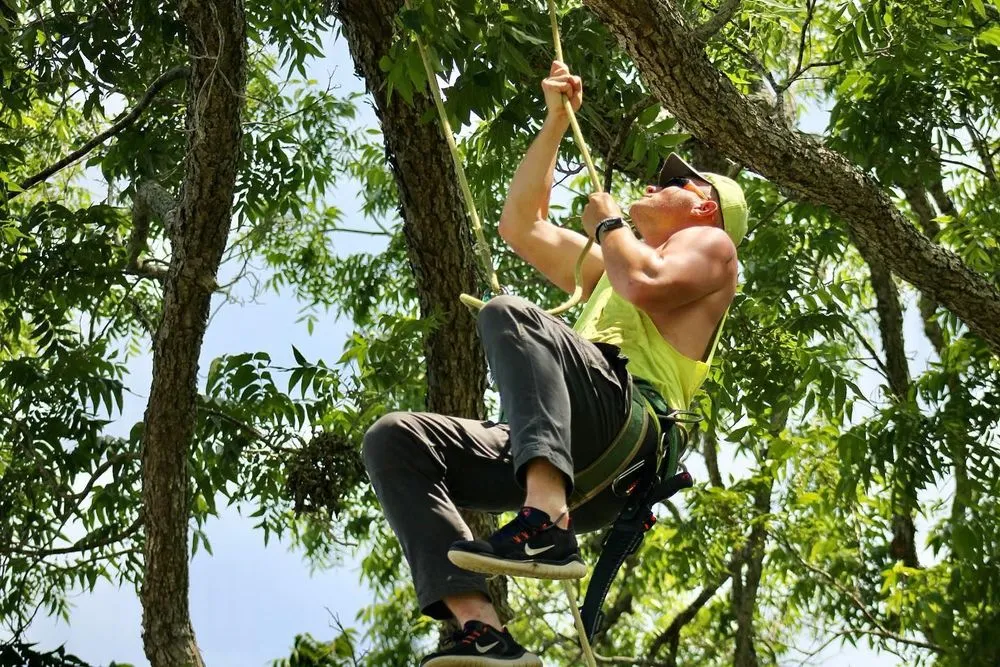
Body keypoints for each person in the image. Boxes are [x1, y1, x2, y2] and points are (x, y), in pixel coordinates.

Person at [361, 60, 748, 666]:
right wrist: (554, 124)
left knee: (510, 314)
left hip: (627, 429)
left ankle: (544, 520)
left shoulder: (713, 247)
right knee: (395, 439)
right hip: (575, 450)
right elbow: (523, 226)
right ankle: (483, 629)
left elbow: (647, 281)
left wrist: (610, 224)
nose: (655, 184)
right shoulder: (609, 269)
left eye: (677, 182)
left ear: (705, 208)